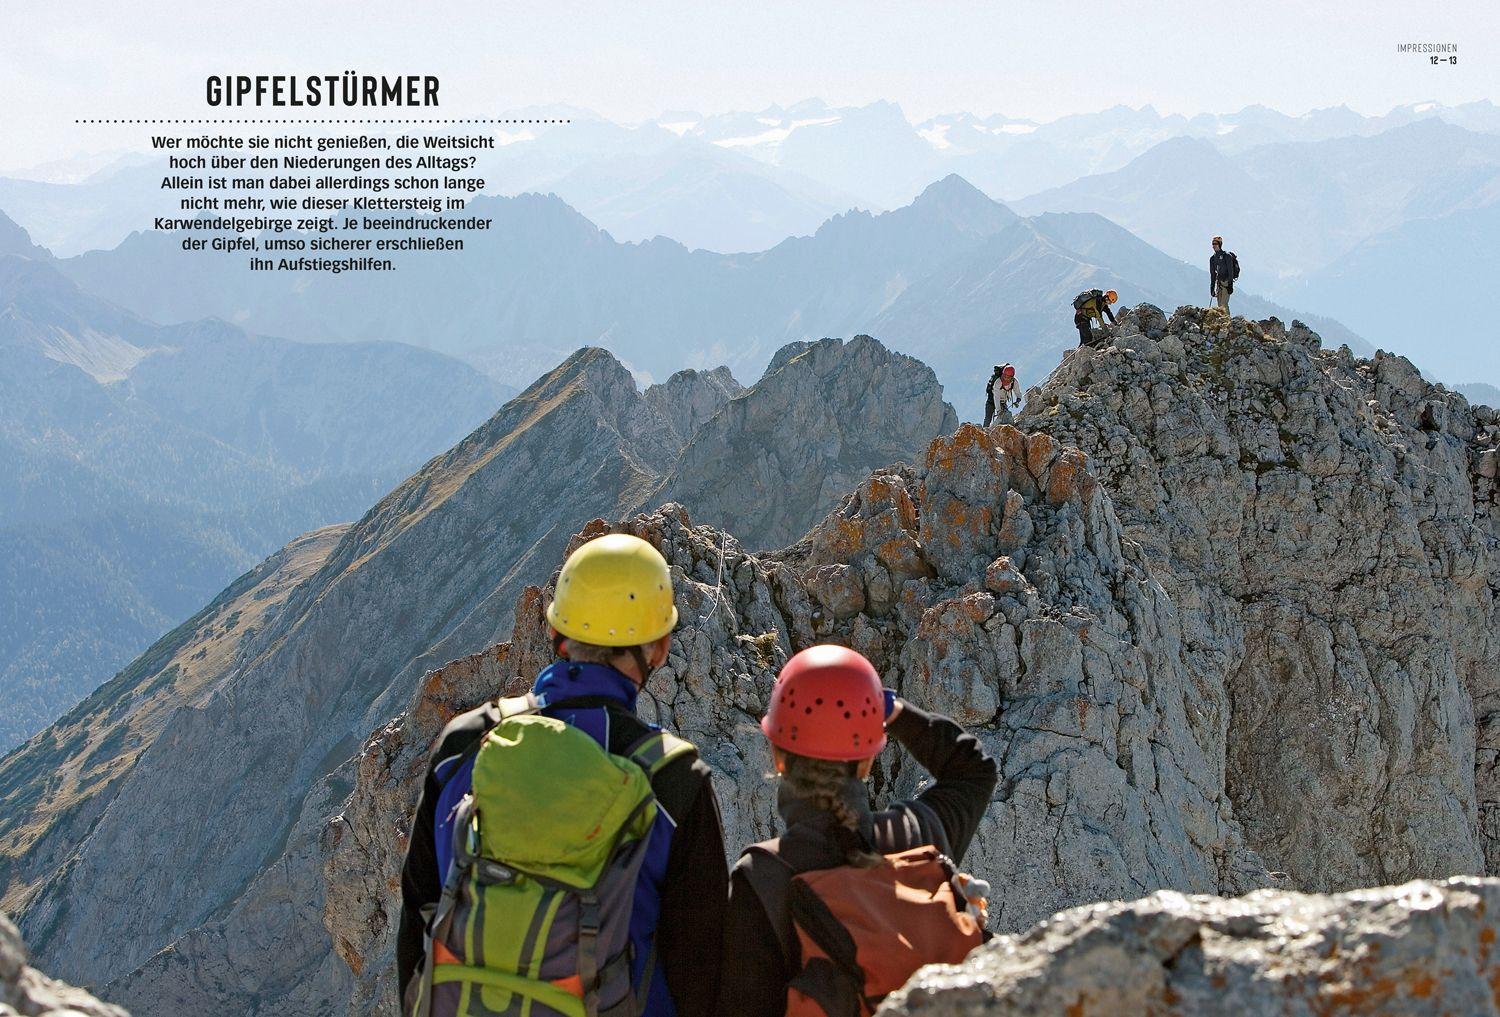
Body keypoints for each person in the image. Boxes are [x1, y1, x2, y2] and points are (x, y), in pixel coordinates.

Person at [397, 533, 728, 1017]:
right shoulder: (673, 781)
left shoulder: (464, 746)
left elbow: (417, 922)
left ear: (556, 634)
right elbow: (702, 972)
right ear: (659, 648)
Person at [718, 645, 998, 1017]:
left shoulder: (762, 877)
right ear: (867, 763)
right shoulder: (919, 836)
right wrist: (893, 712)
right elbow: (974, 770)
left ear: (777, 756)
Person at [1209, 236, 1239, 312]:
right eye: (1213, 244)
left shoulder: (1227, 256)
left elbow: (1230, 272)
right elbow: (1213, 274)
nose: (1213, 246)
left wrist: (1230, 286)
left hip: (1226, 283)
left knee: (1224, 304)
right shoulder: (1212, 259)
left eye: (1215, 244)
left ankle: (1227, 322)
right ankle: (1223, 322)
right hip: (1219, 283)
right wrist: (1212, 288)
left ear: (1220, 244)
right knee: (1219, 305)